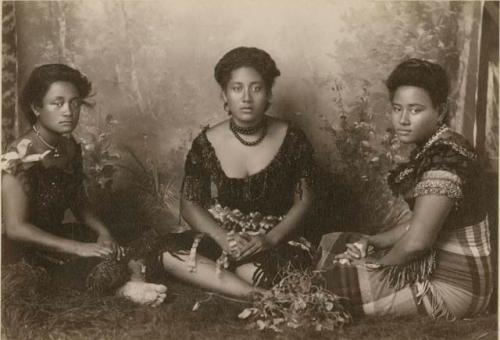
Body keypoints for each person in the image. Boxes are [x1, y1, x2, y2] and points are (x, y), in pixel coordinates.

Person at [316, 58, 492, 319]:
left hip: (455, 286)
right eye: (397, 109)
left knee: (332, 282)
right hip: (430, 264)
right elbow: (416, 224)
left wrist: (372, 264)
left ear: (441, 111)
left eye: (415, 110)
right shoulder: (432, 148)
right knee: (336, 241)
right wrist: (371, 241)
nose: (403, 120)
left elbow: (418, 242)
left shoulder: (446, 157)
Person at [1, 64, 167, 306]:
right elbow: (16, 228)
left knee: (122, 243)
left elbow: (79, 201)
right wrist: (78, 248)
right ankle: (128, 288)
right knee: (89, 262)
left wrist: (103, 233)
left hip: (56, 233)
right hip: (24, 248)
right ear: (37, 107)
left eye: (75, 103)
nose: (68, 111)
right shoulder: (18, 156)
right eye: (57, 103)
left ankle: (129, 282)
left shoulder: (68, 147)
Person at [160, 47, 316, 297]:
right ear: (224, 95)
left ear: (268, 94)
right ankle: (251, 294)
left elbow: (304, 201)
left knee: (252, 271)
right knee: (168, 253)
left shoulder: (293, 138)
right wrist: (224, 239)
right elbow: (189, 203)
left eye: (256, 88)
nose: (246, 98)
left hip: (278, 238)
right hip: (226, 236)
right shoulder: (205, 143)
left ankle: (235, 284)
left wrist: (269, 239)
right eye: (236, 88)